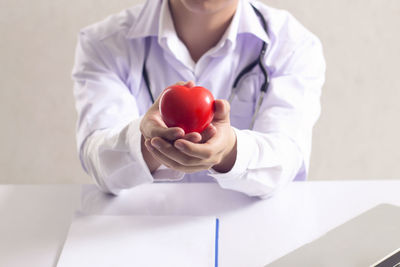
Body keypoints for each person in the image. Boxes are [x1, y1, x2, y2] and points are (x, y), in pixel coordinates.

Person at [72, 0, 326, 197]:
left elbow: (287, 158)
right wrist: (146, 142)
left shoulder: (294, 46)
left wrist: (230, 151)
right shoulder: (103, 43)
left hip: (249, 230)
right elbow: (99, 162)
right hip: (140, 228)